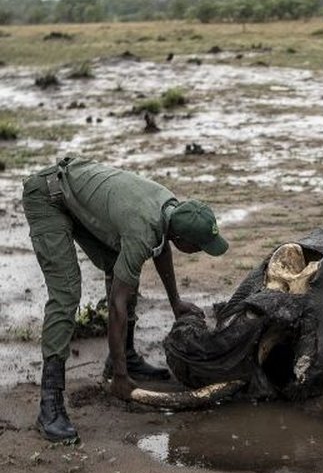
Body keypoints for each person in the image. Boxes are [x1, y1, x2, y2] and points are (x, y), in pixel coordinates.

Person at [22, 156, 228, 443]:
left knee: (122, 267)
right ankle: (50, 405)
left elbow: (161, 248)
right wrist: (119, 379)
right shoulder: (143, 227)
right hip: (47, 196)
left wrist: (176, 303)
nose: (200, 251)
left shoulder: (169, 207)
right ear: (182, 239)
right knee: (67, 292)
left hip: (72, 193)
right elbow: (118, 305)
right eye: (199, 247)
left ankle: (125, 356)